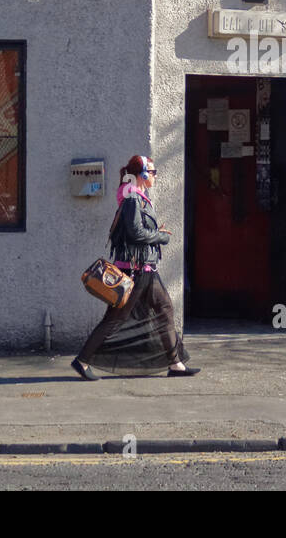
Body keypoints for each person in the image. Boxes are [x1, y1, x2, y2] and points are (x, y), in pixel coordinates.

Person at [71, 155, 199, 380]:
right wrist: (160, 236)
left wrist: (156, 232)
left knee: (164, 308)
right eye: (152, 171)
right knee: (115, 318)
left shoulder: (137, 197)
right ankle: (82, 361)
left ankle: (176, 364)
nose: (155, 175)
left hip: (145, 269)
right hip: (136, 271)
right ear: (142, 174)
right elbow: (135, 232)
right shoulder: (132, 199)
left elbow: (137, 230)